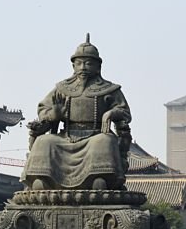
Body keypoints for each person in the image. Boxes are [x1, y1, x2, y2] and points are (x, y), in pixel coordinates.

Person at [21, 35, 132, 191]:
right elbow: (43, 108)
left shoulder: (109, 89)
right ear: (73, 66)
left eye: (88, 63)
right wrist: (54, 114)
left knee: (104, 141)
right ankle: (45, 179)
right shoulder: (62, 88)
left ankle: (97, 178)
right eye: (79, 63)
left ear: (97, 66)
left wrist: (111, 113)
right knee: (45, 142)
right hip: (66, 136)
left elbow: (124, 111)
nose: (83, 68)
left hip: (95, 135)